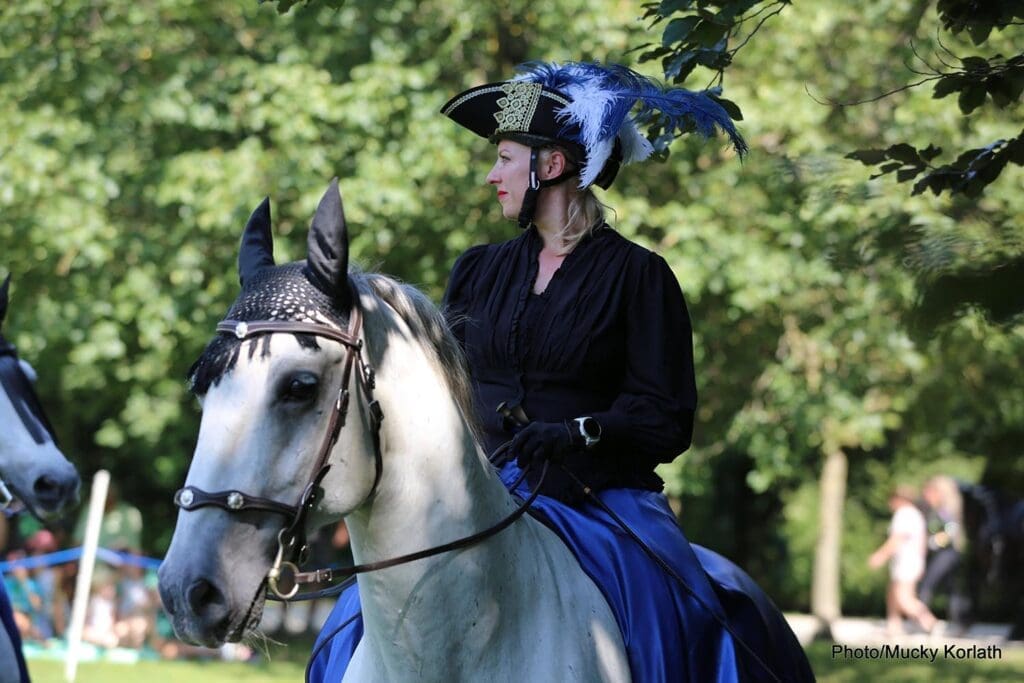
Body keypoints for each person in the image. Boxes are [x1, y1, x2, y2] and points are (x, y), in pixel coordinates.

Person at [310, 61, 811, 682]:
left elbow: (667, 418)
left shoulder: (639, 276)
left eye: (505, 158)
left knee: (682, 612)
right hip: (482, 492)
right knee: (346, 623)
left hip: (601, 497)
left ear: (551, 166)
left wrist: (578, 433)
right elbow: (439, 395)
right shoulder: (476, 270)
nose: (493, 174)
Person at [869, 485, 937, 636]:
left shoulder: (904, 514)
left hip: (906, 561)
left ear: (899, 499)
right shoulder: (916, 514)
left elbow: (897, 539)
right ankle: (894, 626)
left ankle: (929, 621)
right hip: (912, 560)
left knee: (903, 598)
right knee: (893, 593)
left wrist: (880, 556)